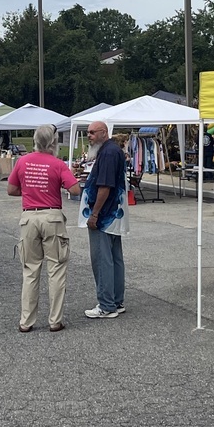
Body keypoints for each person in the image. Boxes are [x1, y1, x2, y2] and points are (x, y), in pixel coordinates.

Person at [8, 124, 82, 333]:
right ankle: (55, 320)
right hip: (52, 217)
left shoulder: (22, 161)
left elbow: (11, 189)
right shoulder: (58, 164)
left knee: (30, 270)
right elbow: (75, 189)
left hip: (29, 216)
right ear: (54, 142)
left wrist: (29, 191)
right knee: (56, 269)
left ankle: (26, 321)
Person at [80, 121, 128, 319]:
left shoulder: (107, 153)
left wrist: (95, 214)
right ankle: (116, 301)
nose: (89, 136)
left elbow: (105, 187)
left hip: (105, 215)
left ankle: (107, 305)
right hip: (113, 213)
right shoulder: (112, 150)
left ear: (104, 133)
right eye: (88, 132)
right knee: (114, 258)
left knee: (102, 259)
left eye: (92, 132)